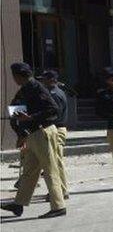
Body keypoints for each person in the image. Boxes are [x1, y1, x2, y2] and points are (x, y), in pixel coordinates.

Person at [1, 63, 67, 218]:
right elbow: (15, 110)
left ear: (19, 75)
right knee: (29, 172)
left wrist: (31, 117)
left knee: (50, 170)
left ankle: (58, 206)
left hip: (43, 132)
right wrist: (20, 133)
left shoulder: (38, 88)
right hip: (31, 135)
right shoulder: (24, 89)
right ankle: (18, 204)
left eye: (14, 75)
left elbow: (54, 110)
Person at [40, 70, 69, 200]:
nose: (42, 82)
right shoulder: (57, 92)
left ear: (51, 80)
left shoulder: (54, 94)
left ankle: (61, 190)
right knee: (55, 161)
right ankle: (61, 189)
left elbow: (54, 114)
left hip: (56, 129)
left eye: (44, 79)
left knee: (56, 161)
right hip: (57, 128)